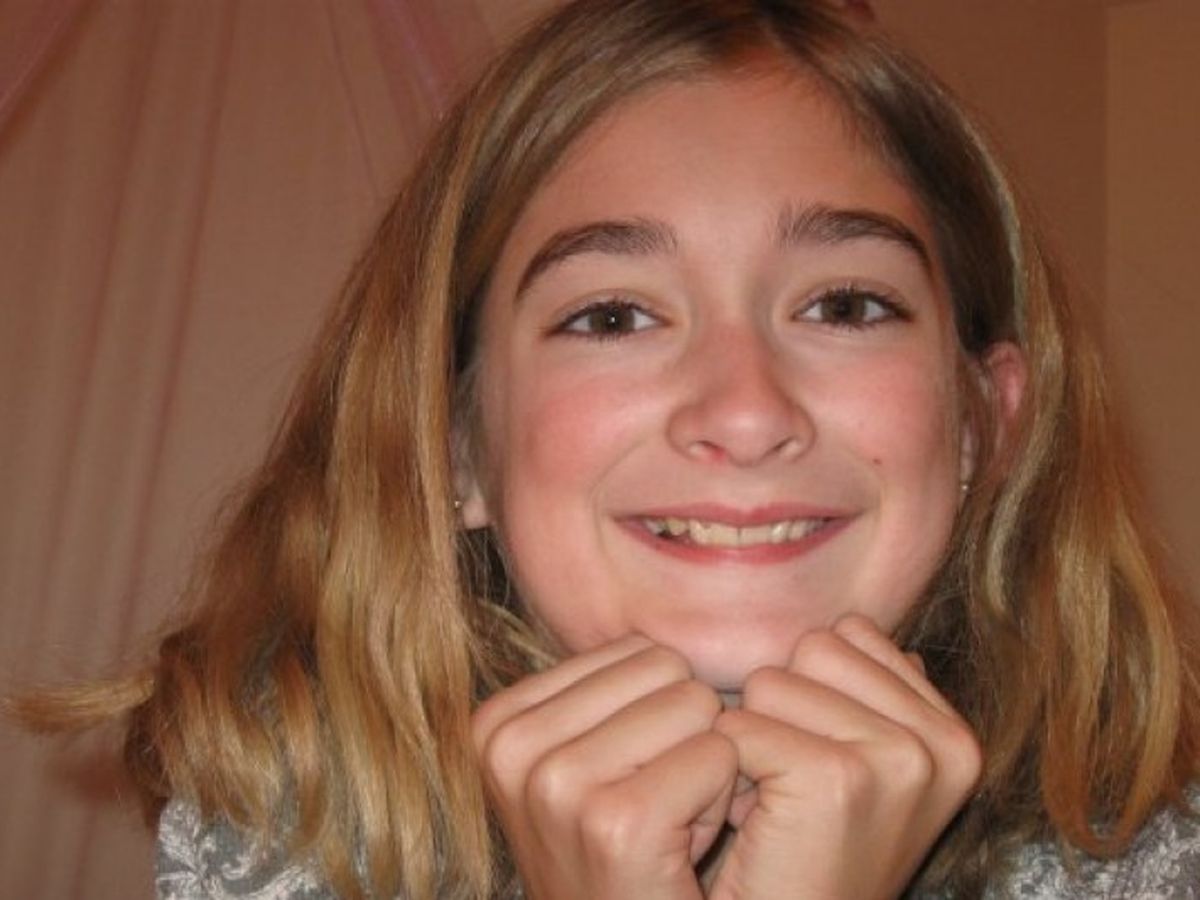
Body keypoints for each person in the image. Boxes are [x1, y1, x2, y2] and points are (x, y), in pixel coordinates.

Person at [15, 0, 1200, 897]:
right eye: (613, 316)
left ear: (984, 424)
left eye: (844, 305)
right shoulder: (280, 851)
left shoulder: (1140, 862)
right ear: (456, 445)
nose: (746, 411)